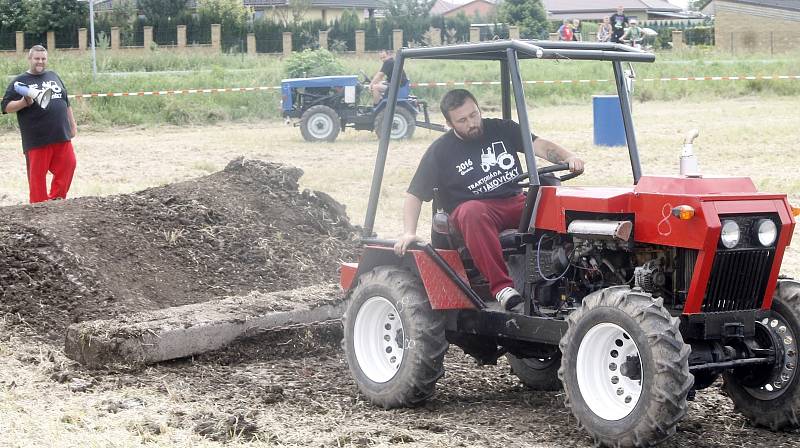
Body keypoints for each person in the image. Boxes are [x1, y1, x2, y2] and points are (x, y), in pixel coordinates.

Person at [393, 89, 584, 312]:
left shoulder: (502, 128)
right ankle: (503, 288)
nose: (472, 123)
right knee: (472, 212)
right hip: (474, 212)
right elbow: (414, 194)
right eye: (462, 120)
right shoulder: (440, 150)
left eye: (474, 115)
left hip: (514, 201)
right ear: (449, 123)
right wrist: (408, 231)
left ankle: (574, 275)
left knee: (559, 201)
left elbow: (539, 145)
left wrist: (569, 157)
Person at [1, 45, 77, 204]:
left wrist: (72, 124)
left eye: (43, 58)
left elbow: (65, 101)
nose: (40, 61)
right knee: (37, 179)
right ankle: (38, 209)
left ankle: (57, 200)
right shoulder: (20, 81)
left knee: (69, 165)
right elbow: (6, 107)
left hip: (60, 135)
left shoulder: (53, 75)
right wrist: (23, 102)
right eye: (37, 58)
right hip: (37, 139)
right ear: (30, 59)